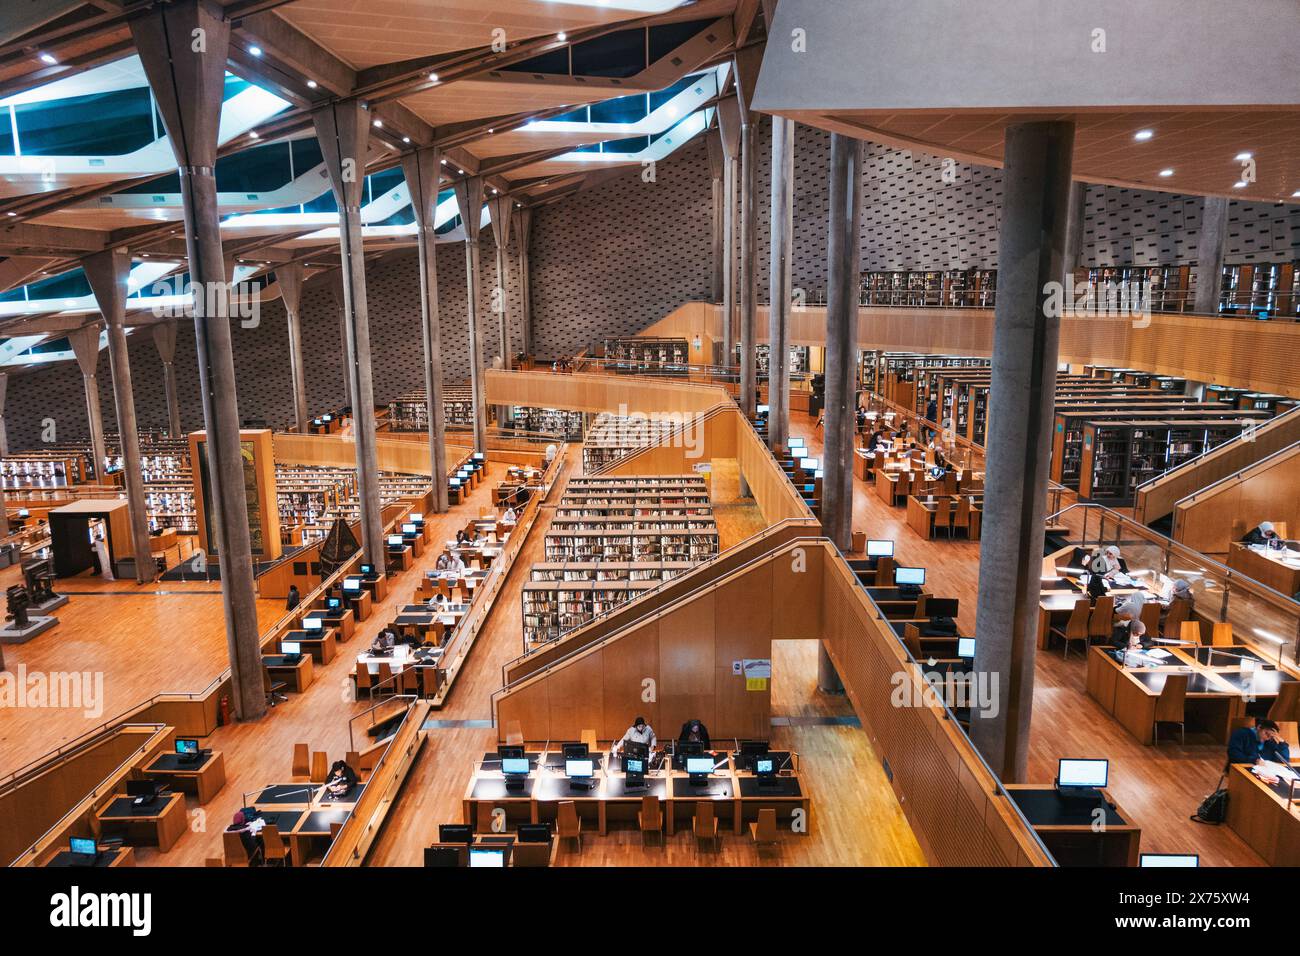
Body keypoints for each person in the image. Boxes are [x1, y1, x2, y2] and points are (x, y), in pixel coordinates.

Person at [1227, 718, 1291, 766]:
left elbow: (1284, 761)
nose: (1267, 738)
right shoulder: (1241, 734)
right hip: (1241, 770)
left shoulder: (1270, 741)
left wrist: (1282, 742)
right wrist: (1254, 760)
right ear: (1259, 727)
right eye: (1266, 733)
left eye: (1271, 736)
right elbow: (1233, 754)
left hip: (1264, 773)